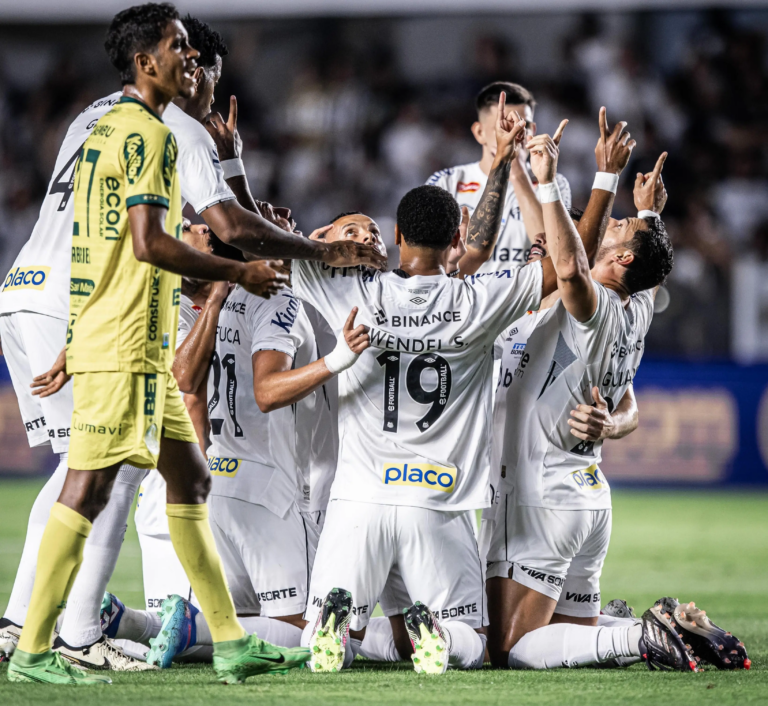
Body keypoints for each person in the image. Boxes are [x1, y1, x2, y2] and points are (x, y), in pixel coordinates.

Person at [0, 8, 383, 672]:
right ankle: (57, 633)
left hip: (39, 291)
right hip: (102, 313)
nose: (206, 84)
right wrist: (308, 255)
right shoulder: (168, 127)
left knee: (176, 473)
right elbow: (224, 227)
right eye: (196, 63)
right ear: (169, 65)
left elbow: (110, 228)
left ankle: (225, 642)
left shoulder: (93, 118)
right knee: (96, 475)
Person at [291, 99, 553, 676]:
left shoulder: (355, 292)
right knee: (472, 643)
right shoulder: (475, 302)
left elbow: (271, 247)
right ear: (456, 234)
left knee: (326, 639)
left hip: (357, 499)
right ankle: (433, 628)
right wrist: (516, 170)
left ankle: (335, 627)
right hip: (437, 501)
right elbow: (558, 267)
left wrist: (321, 243)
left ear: (396, 234)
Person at [482, 111, 710, 672]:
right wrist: (651, 212)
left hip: (543, 495)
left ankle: (637, 639)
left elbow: (569, 265)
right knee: (569, 638)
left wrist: (567, 181)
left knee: (508, 649)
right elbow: (638, 263)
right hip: (588, 495)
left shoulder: (596, 304)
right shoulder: (641, 306)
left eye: (619, 226)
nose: (610, 223)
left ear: (622, 259)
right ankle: (653, 627)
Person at [427, 81, 571, 272]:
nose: (514, 133)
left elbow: (556, 254)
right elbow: (431, 263)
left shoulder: (553, 183)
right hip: (467, 299)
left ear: (533, 131)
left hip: (528, 300)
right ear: (479, 132)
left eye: (523, 125)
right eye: (503, 125)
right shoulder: (446, 183)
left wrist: (516, 169)